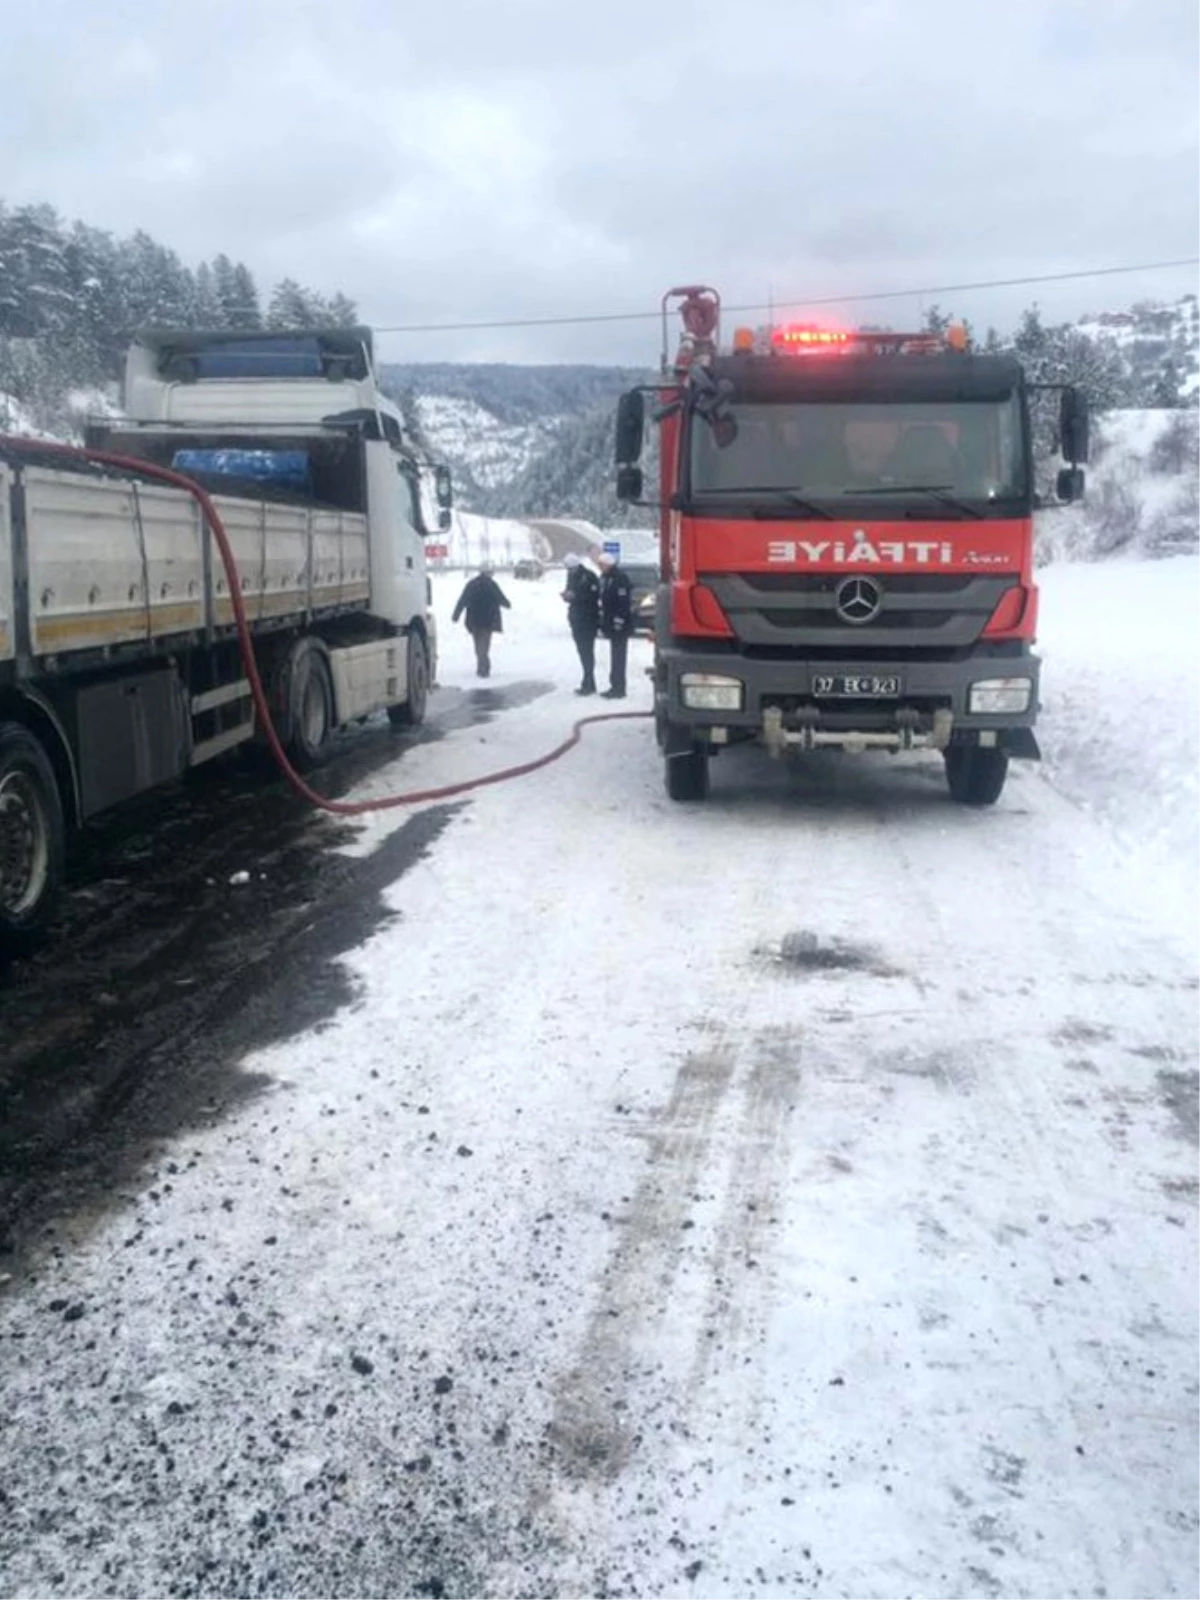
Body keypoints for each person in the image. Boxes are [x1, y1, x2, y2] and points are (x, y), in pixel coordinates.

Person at [451, 563, 510, 678]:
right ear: (489, 573)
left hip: (473, 620)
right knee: (484, 645)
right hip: (488, 620)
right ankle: (484, 668)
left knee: (478, 644)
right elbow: (502, 599)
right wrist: (507, 604)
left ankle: (481, 667)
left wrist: (456, 615)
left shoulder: (471, 584)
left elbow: (462, 600)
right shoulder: (492, 585)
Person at [561, 553, 601, 695]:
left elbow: (594, 596)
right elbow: (571, 590)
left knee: (587, 652)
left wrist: (575, 596)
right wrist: (567, 595)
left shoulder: (589, 577)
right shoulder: (572, 576)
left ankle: (589, 683)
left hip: (587, 619)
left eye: (570, 569)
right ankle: (588, 681)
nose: (569, 572)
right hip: (577, 619)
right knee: (583, 652)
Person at [597, 551, 634, 699]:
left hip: (620, 625)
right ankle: (615, 685)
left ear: (608, 564)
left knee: (619, 657)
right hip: (611, 623)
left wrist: (619, 620)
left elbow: (623, 602)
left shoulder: (619, 578)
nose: (600, 568)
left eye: (601, 565)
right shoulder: (606, 578)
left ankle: (619, 688)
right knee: (615, 656)